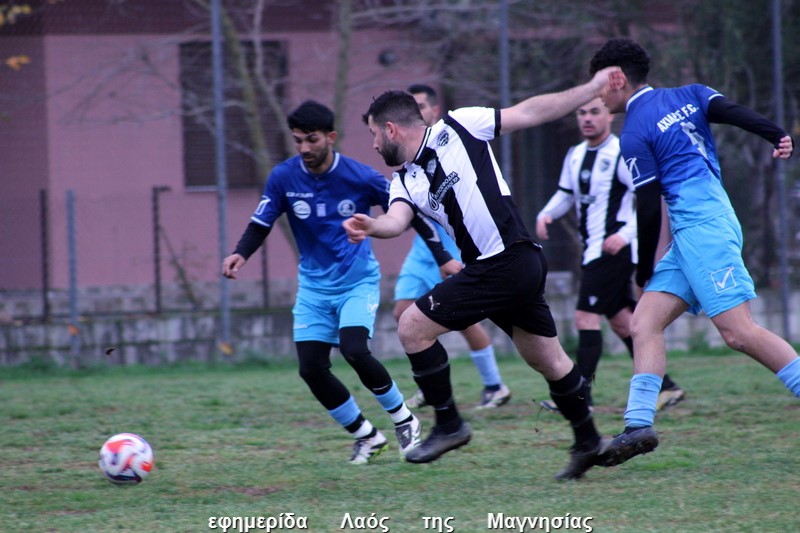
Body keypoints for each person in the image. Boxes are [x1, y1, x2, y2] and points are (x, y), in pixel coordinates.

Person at [343, 66, 622, 480]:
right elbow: (396, 221)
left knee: (412, 327)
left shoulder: (460, 125)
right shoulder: (405, 180)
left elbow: (530, 111)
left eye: (373, 135)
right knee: (548, 359)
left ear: (390, 129)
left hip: (509, 259)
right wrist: (371, 226)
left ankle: (449, 424)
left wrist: (591, 88)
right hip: (502, 269)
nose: (373, 144)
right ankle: (589, 442)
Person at [588, 37, 798, 468]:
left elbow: (648, 206)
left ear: (617, 79)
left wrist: (642, 269)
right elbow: (732, 112)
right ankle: (638, 425)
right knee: (645, 323)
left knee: (739, 333)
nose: (595, 95)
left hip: (704, 231)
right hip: (695, 233)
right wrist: (776, 133)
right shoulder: (691, 93)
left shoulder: (634, 132)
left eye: (598, 84)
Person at [222, 100, 450, 464]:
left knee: (354, 349)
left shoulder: (360, 176)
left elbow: (411, 213)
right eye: (298, 140)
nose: (304, 148)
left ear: (330, 137)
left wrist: (443, 258)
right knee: (311, 369)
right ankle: (366, 436)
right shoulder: (283, 177)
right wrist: (240, 253)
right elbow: (261, 222)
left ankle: (404, 419)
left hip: (356, 282)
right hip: (314, 288)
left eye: (311, 139)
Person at [536, 97, 684, 412]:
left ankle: (579, 397)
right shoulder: (575, 155)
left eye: (594, 112)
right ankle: (667, 387)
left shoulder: (620, 152)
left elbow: (645, 197)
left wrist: (625, 234)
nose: (587, 118)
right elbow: (565, 194)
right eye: (581, 113)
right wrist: (545, 214)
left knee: (585, 317)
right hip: (592, 250)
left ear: (608, 116)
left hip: (613, 250)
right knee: (623, 323)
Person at [396, 84, 511, 410]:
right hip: (422, 249)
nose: (416, 113)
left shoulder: (451, 140)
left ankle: (494, 385)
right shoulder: (408, 156)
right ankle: (431, 383)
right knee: (402, 312)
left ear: (434, 111)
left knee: (462, 319)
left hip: (453, 247)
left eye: (421, 106)